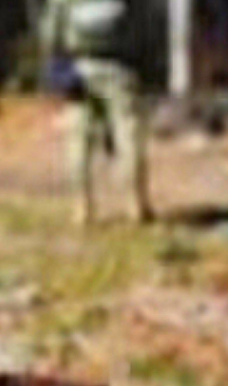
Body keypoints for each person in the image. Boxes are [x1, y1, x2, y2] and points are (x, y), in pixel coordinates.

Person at [41, 0, 153, 226]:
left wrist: (56, 63)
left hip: (80, 68)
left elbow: (51, 33)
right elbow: (142, 26)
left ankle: (82, 208)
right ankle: (136, 204)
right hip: (119, 67)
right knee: (129, 136)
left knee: (79, 141)